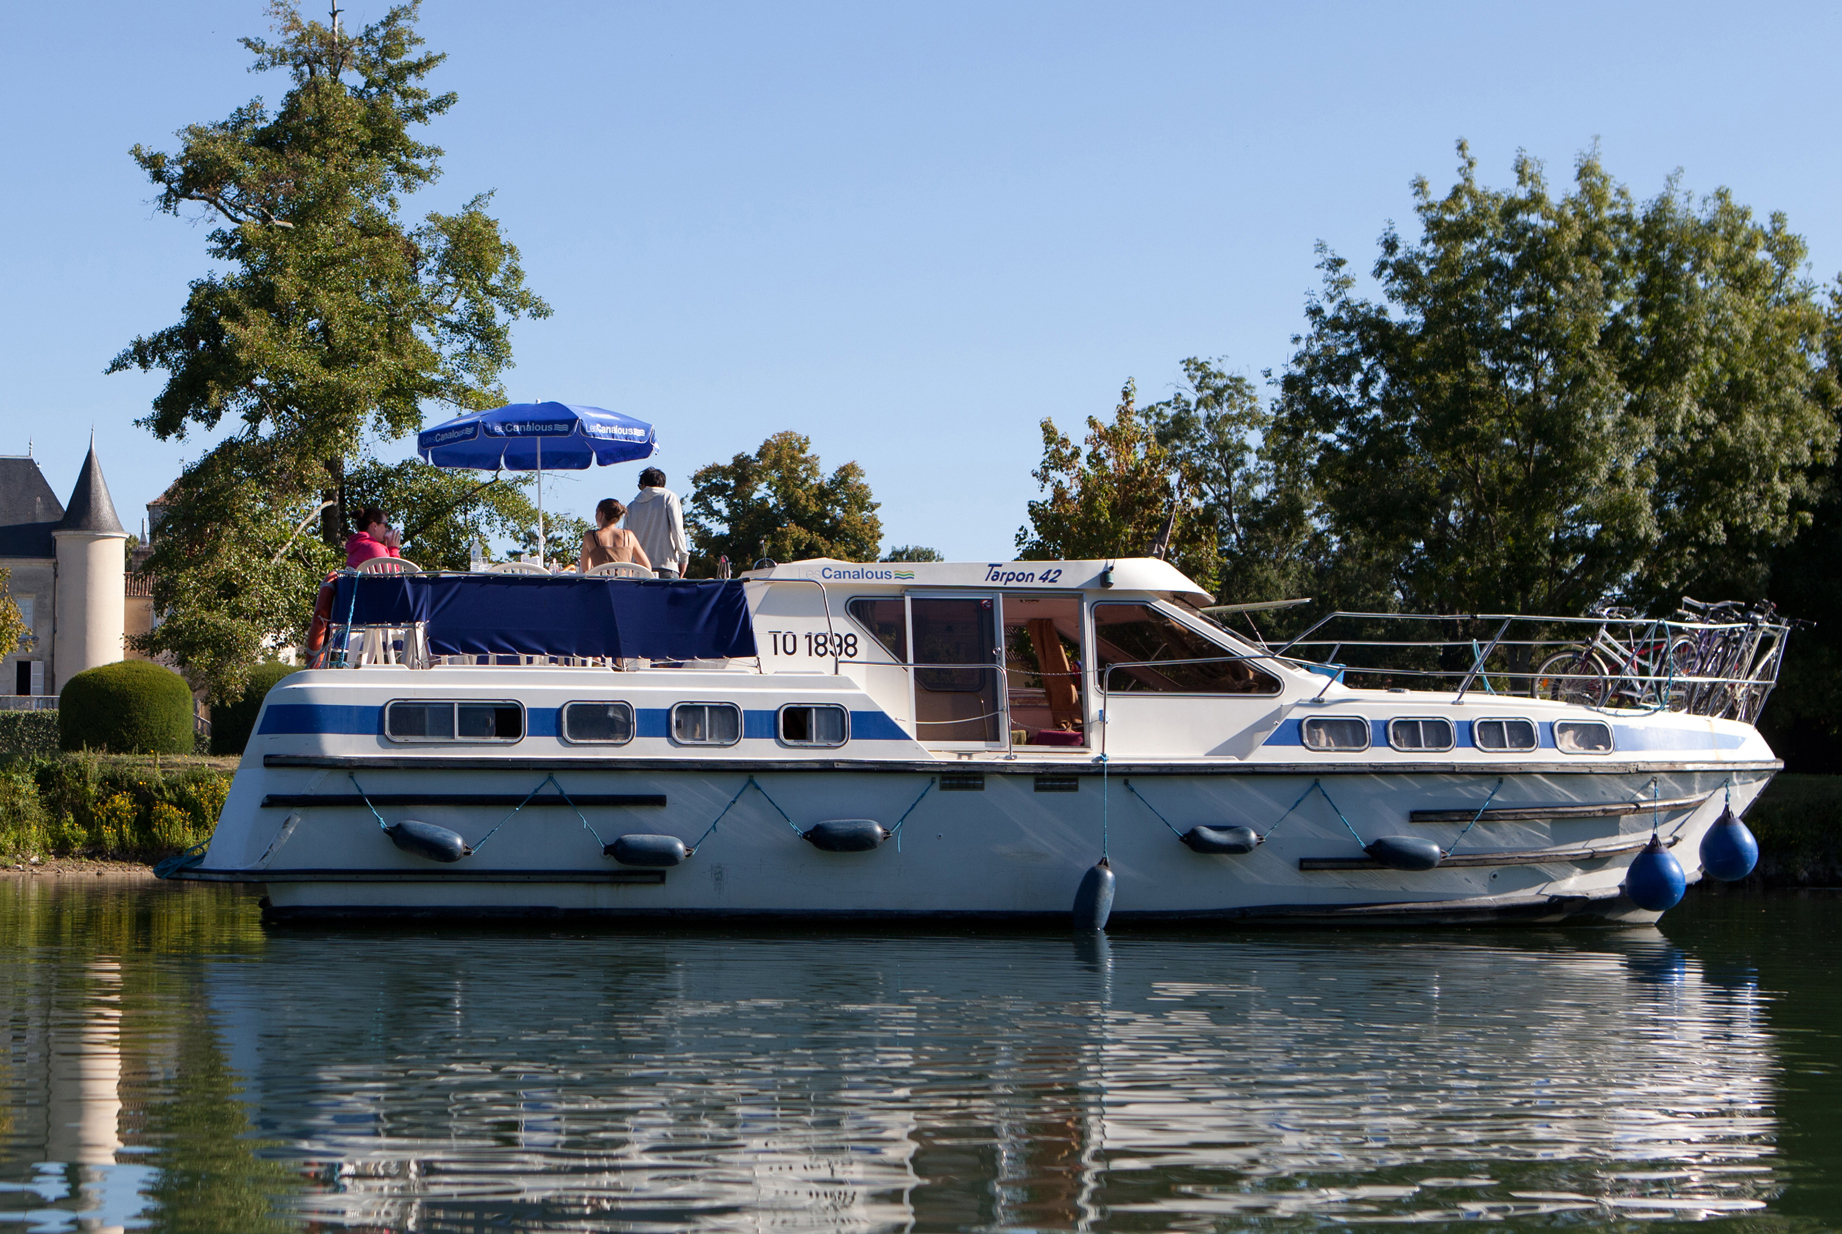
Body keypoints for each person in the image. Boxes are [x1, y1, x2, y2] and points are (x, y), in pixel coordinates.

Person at [625, 467, 690, 578]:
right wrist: (683, 557)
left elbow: (626, 540)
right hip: (665, 564)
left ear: (643, 484)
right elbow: (677, 528)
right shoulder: (669, 497)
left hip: (638, 569)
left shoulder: (631, 507)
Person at [579, 498, 652, 573]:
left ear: (600, 514)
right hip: (626, 580)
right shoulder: (629, 536)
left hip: (602, 581)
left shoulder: (590, 536)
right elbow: (647, 567)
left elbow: (585, 570)